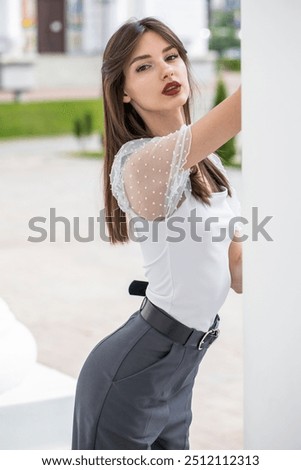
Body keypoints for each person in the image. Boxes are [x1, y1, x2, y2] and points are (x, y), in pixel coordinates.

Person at [72, 16, 242, 450]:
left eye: (172, 57)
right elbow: (247, 106)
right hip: (132, 371)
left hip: (182, 369)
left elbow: (237, 270)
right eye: (144, 66)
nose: (167, 70)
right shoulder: (140, 162)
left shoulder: (213, 166)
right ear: (123, 90)